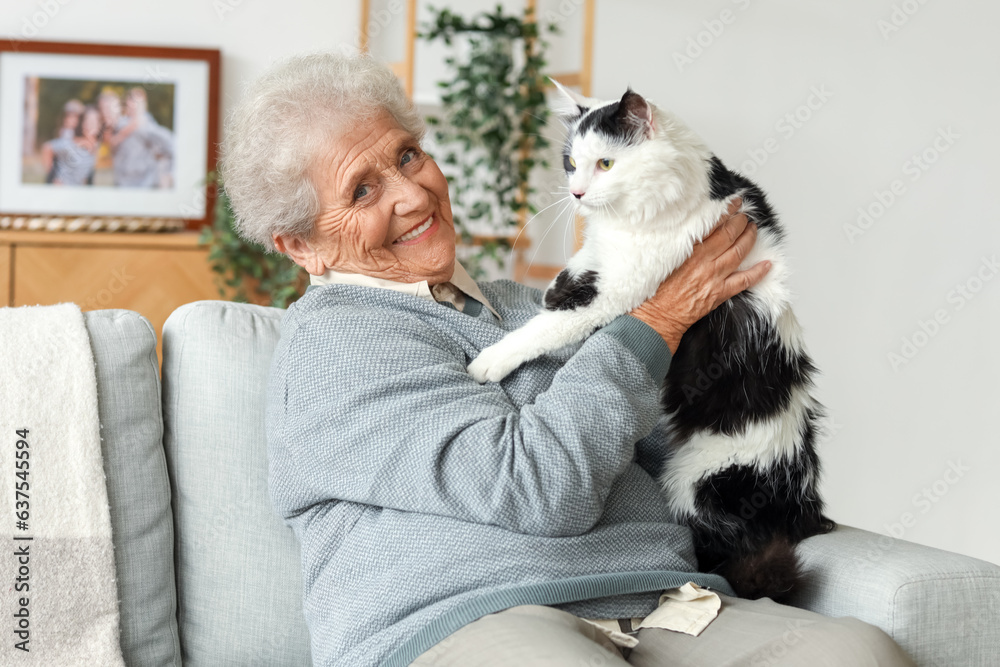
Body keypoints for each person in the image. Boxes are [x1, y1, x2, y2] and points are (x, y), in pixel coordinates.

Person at [221, 52, 916, 667]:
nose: (411, 194)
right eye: (361, 191)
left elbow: (667, 451)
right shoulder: (334, 347)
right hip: (466, 620)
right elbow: (535, 486)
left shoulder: (537, 308)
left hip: (665, 604)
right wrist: (658, 319)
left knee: (859, 653)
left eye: (407, 155)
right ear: (301, 246)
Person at [99, 87, 174, 188]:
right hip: (121, 180)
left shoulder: (148, 125)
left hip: (144, 182)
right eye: (130, 100)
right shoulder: (121, 123)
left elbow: (169, 144)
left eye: (135, 101)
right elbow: (110, 140)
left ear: (143, 104)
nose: (131, 104)